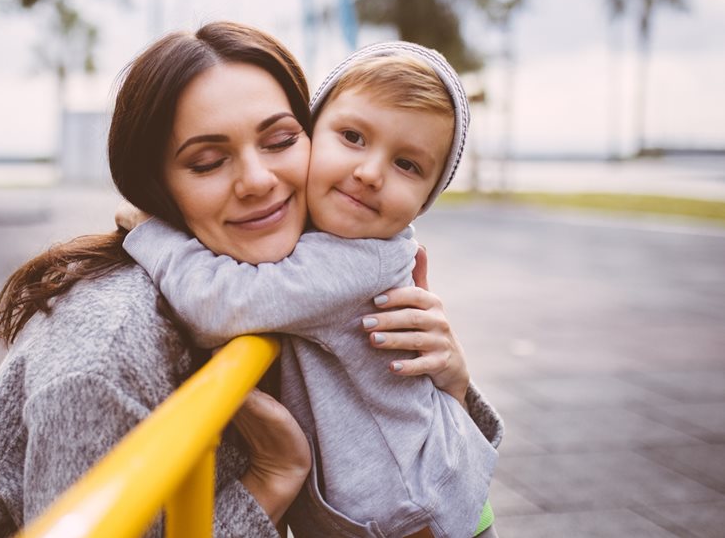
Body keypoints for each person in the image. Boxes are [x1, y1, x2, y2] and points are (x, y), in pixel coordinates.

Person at [0, 23, 499, 537]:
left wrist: (450, 379)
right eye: (207, 160)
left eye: (281, 139)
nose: (259, 180)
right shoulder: (104, 358)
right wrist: (267, 484)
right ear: (154, 185)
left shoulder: (302, 264)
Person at [118, 42, 500, 538]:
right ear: (312, 132)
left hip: (415, 520)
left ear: (427, 200)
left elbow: (221, 304)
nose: (369, 173)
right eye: (353, 136)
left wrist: (153, 232)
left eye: (407, 165)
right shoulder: (331, 241)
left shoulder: (356, 260)